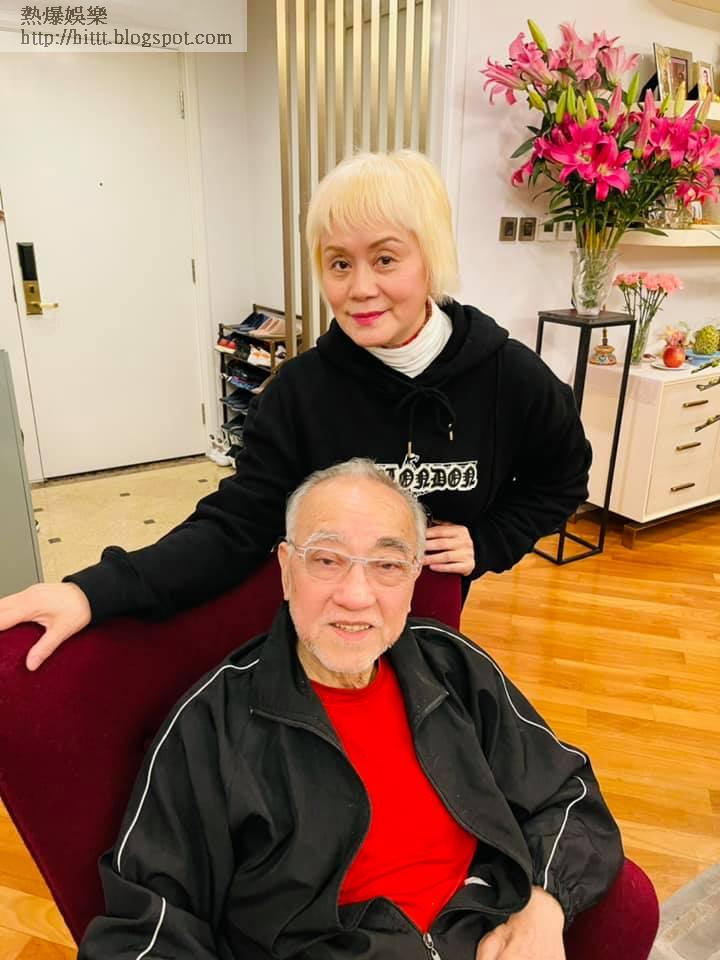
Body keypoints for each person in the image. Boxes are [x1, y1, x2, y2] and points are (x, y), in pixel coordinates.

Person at [0, 150, 591, 671]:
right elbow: (234, 527)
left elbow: (562, 478)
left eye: (385, 260)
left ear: (431, 259)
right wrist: (92, 592)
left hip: (432, 634)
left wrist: (491, 540)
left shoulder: (510, 376)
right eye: (339, 263)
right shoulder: (300, 394)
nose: (359, 288)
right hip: (320, 641)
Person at [78, 459, 624, 960]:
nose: (356, 595)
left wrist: (543, 904)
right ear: (286, 570)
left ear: (413, 579)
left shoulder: (453, 666)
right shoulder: (209, 726)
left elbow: (568, 792)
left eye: (387, 564)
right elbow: (145, 932)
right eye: (327, 560)